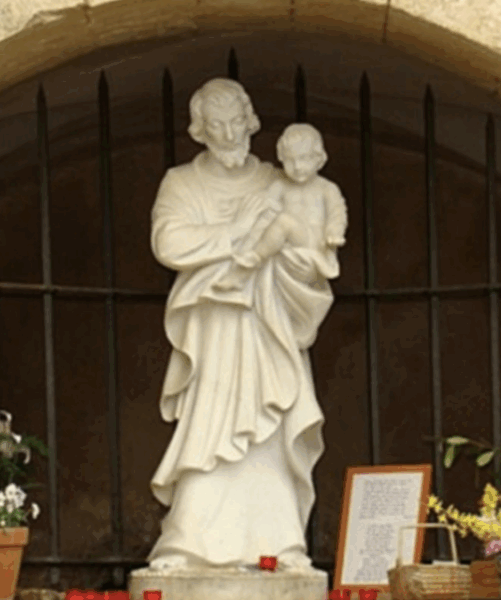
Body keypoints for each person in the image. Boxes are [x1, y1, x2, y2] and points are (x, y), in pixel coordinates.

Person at [147, 78, 341, 572]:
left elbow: (308, 235)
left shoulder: (277, 180)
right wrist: (238, 233)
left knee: (270, 430)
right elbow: (169, 243)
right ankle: (187, 542)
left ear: (251, 120)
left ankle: (280, 542)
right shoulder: (181, 182)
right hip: (213, 325)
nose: (231, 134)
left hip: (266, 322)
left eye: (238, 123)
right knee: (210, 428)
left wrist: (295, 255)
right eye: (218, 125)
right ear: (200, 130)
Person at [213, 123, 347, 291]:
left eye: (304, 159)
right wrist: (236, 205)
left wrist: (334, 232)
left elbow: (337, 213)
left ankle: (256, 257)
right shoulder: (280, 186)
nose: (297, 167)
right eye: (291, 160)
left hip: (313, 243)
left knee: (284, 221)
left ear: (320, 159)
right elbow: (262, 204)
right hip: (285, 246)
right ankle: (241, 272)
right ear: (281, 159)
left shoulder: (326, 188)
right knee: (264, 221)